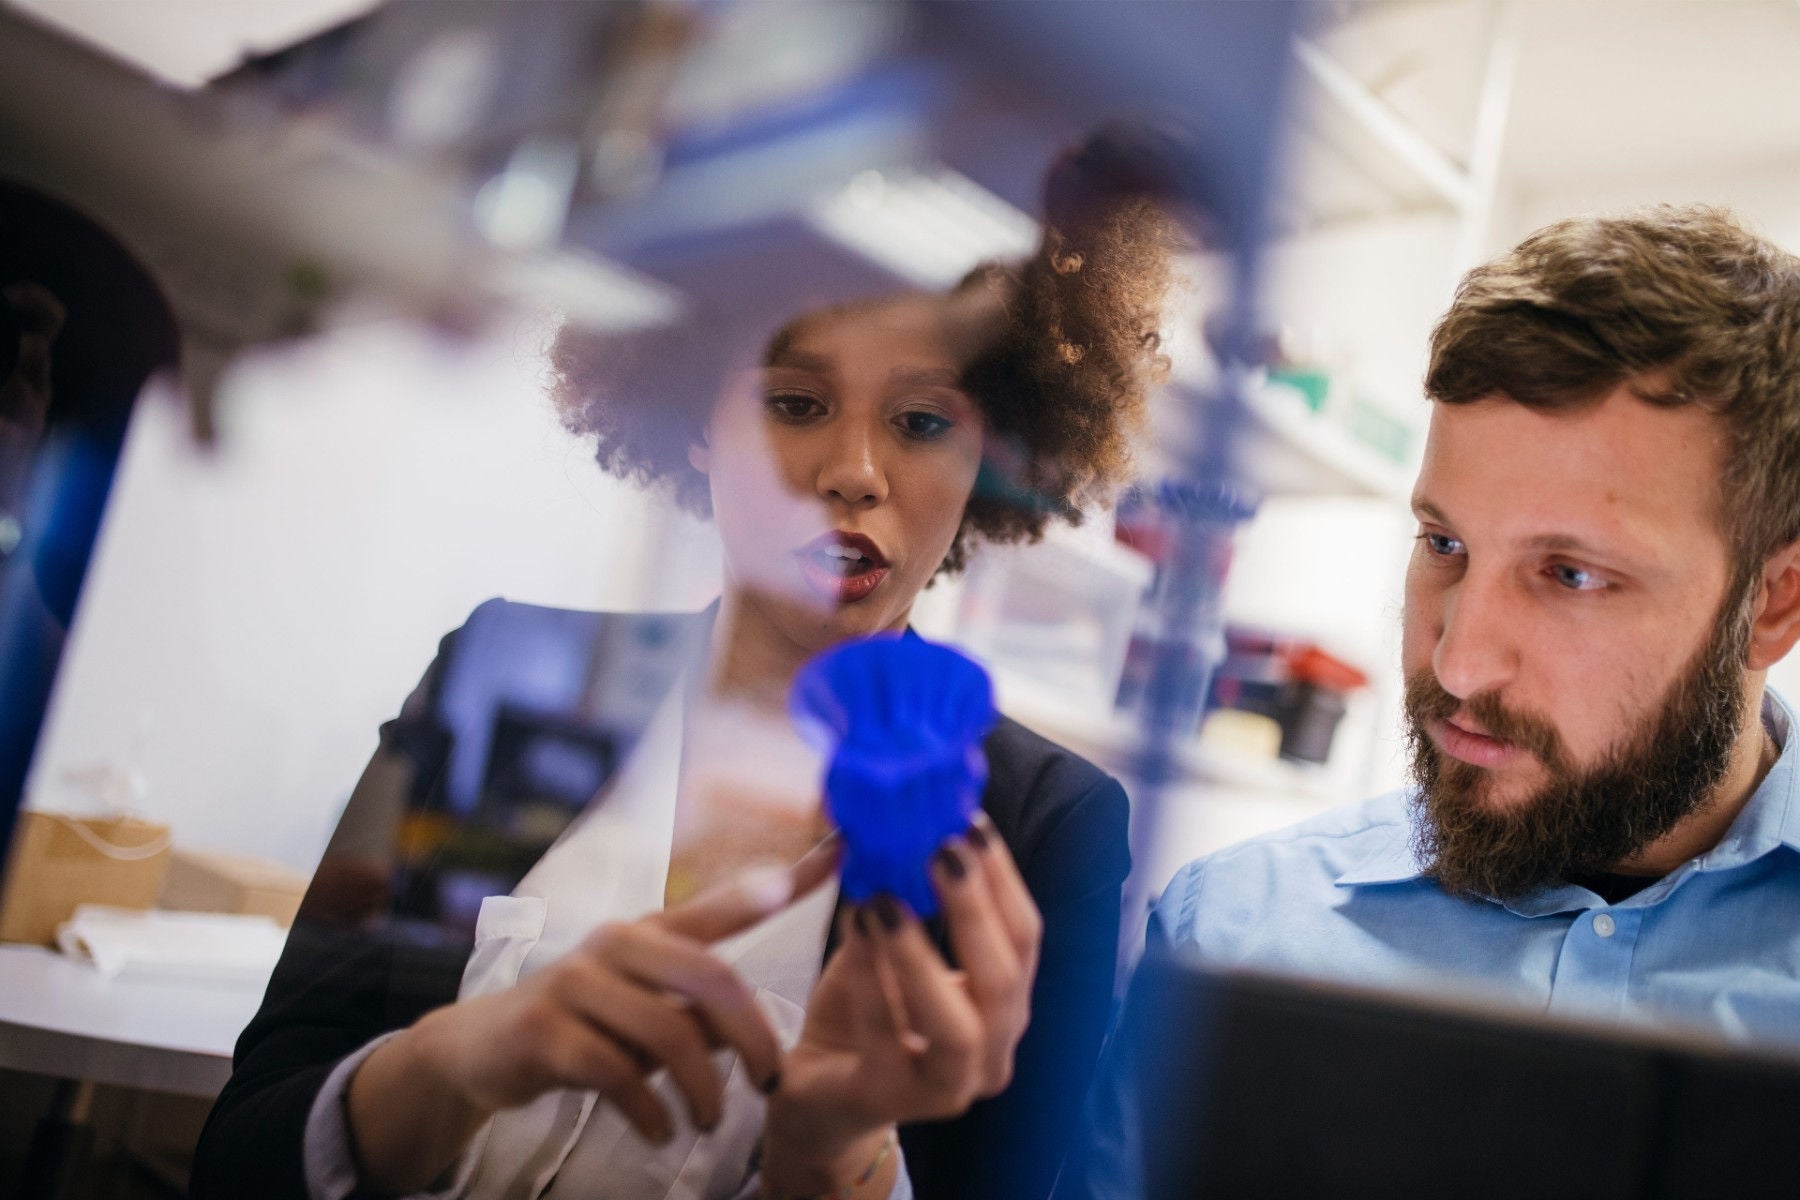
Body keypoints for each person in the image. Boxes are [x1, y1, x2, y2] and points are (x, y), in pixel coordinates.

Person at [192, 132, 1180, 1200]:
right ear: (693, 420)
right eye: (795, 402)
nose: (851, 473)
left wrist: (832, 1161)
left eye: (922, 420)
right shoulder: (515, 675)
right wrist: (454, 1060)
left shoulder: (1044, 828)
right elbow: (244, 1159)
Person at [1055, 203, 1800, 1196]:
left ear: (1772, 603)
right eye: (1444, 544)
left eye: (1570, 574)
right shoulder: (1232, 934)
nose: (1457, 663)